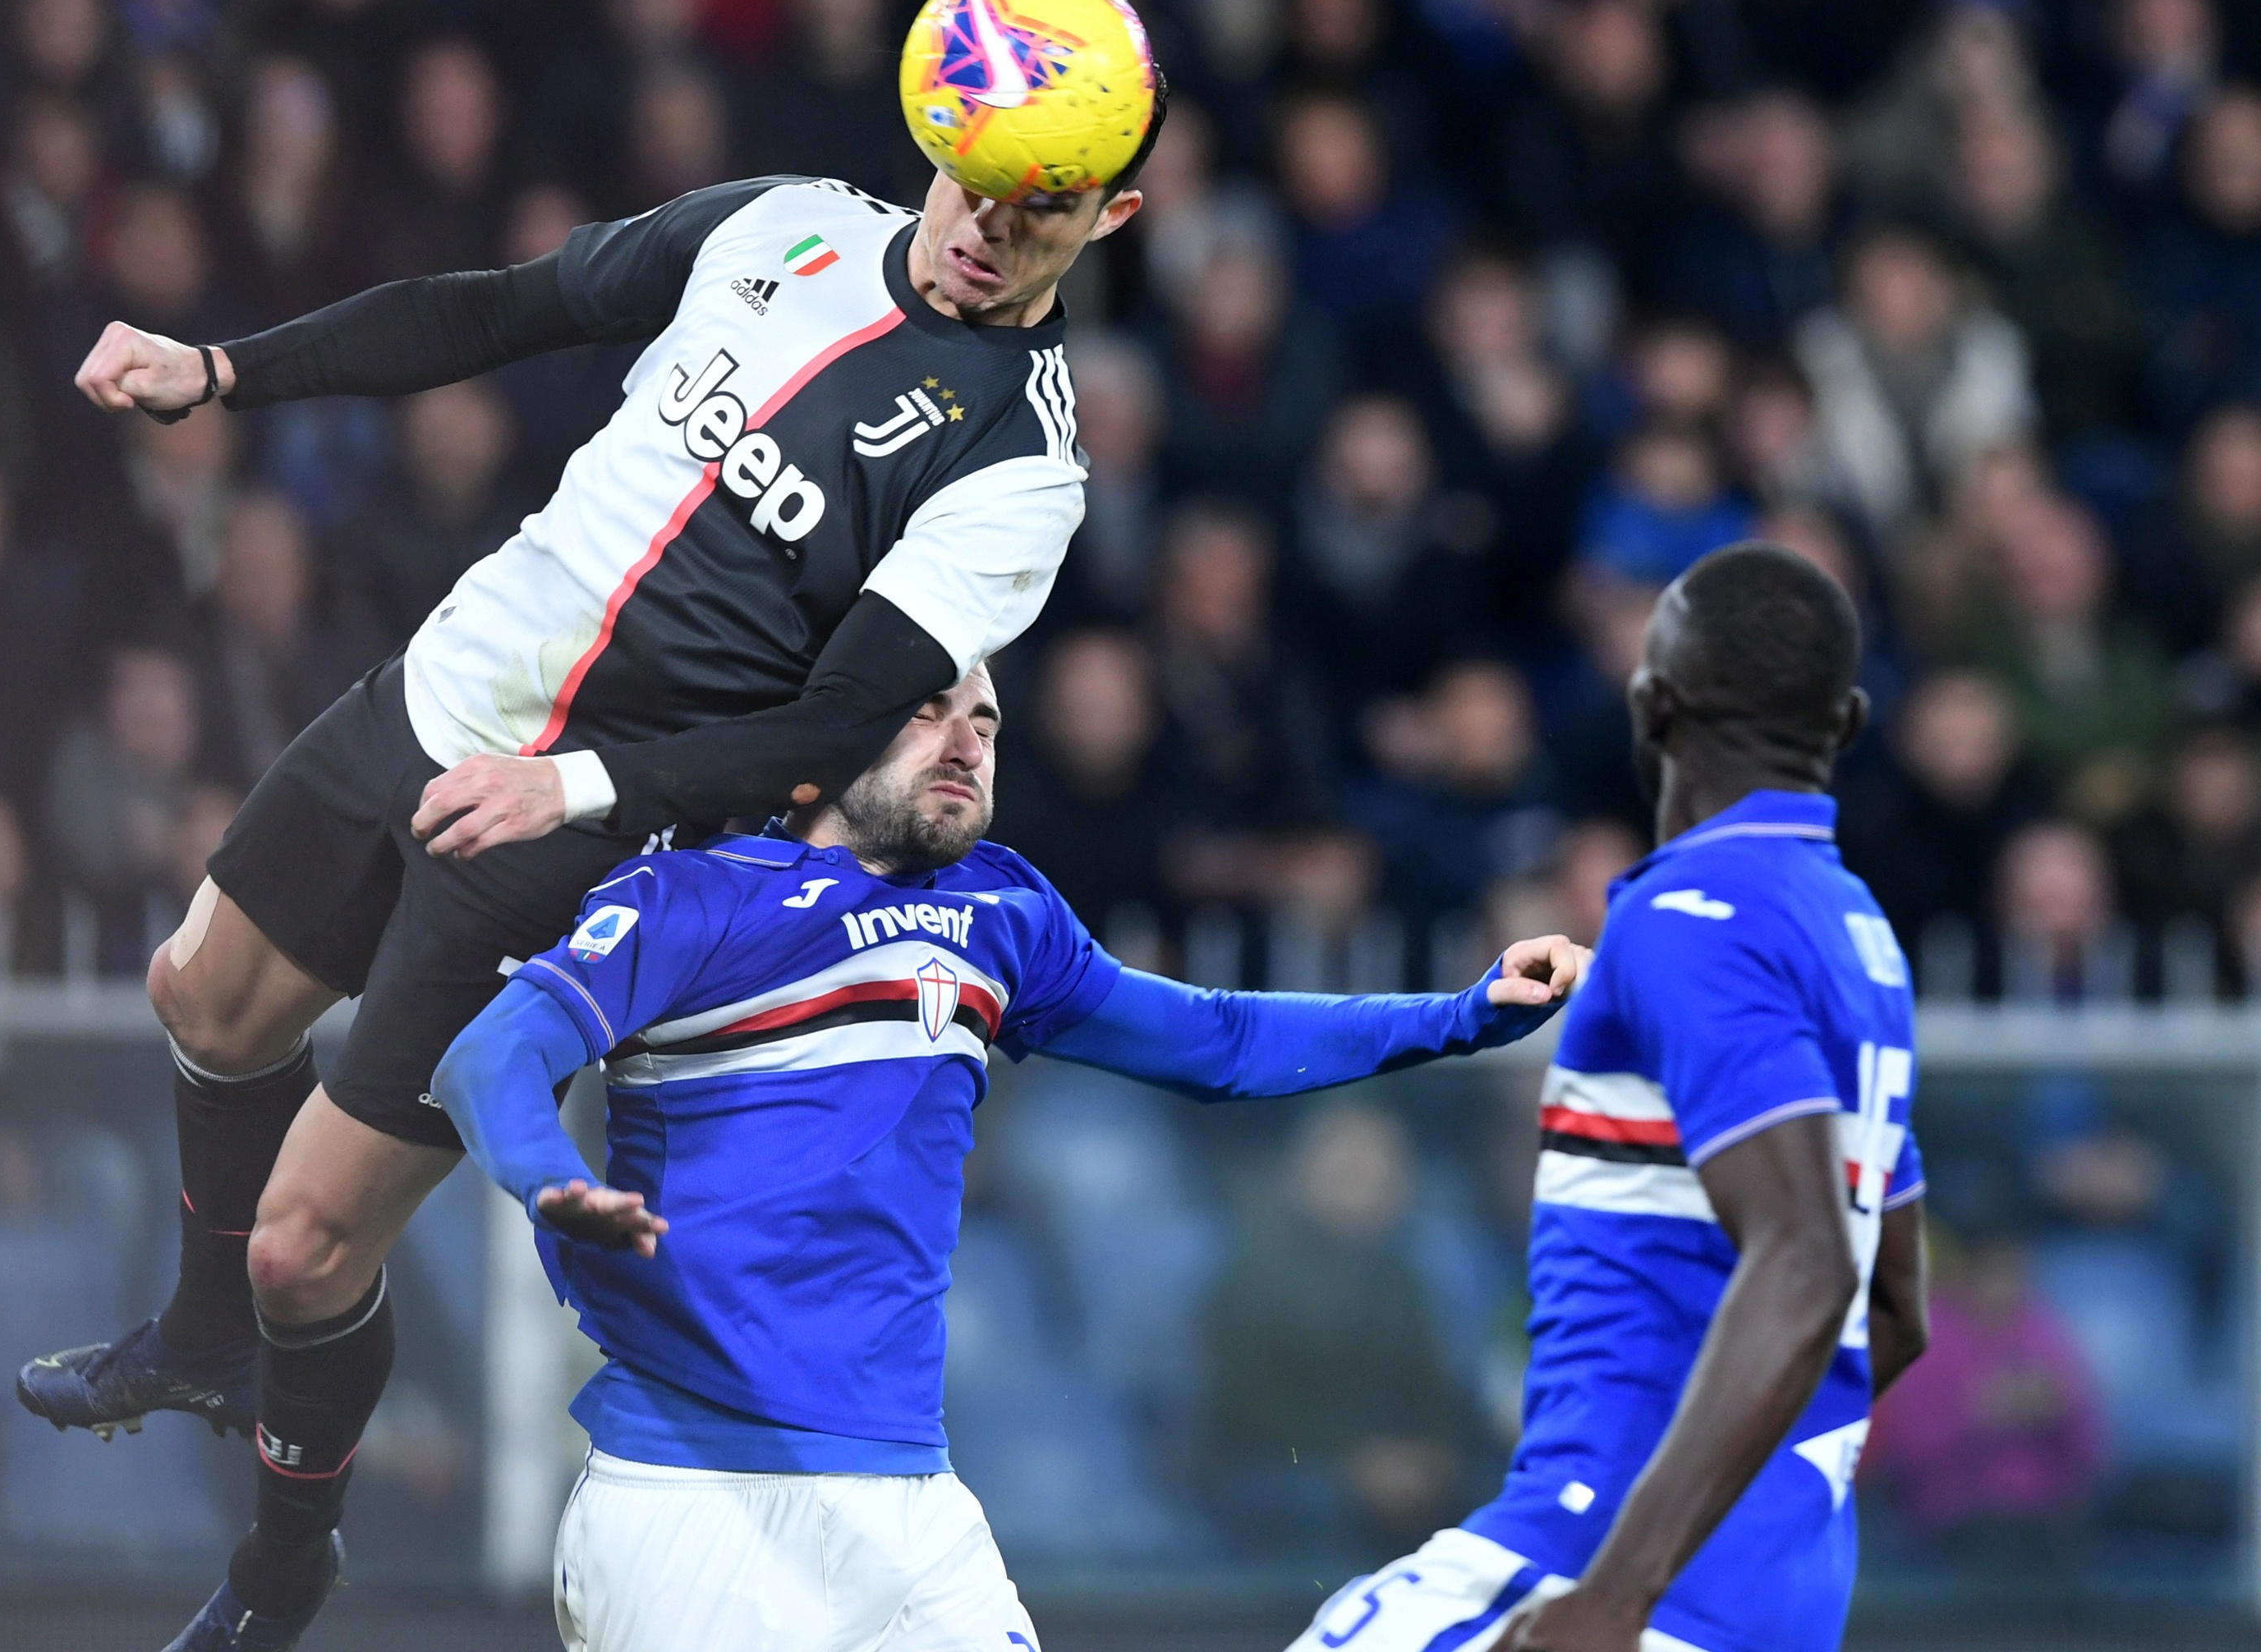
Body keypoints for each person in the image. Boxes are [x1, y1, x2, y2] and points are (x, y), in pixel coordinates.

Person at [18, 0, 1167, 1652]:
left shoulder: (1017, 470)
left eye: (1039, 215)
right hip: (447, 686)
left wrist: (579, 781)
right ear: (929, 138)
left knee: (305, 1253)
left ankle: (280, 1569)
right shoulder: (782, 223)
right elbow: (501, 306)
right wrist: (223, 370)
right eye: (968, 183)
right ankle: (196, 1343)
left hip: (584, 829)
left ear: (1113, 213)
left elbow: (837, 724)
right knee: (202, 998)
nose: (986, 232)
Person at [426, 661, 1591, 1652]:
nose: (965, 741)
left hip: (912, 1507)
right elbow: (492, 1057)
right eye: (929, 709)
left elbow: (1218, 1036)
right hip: (691, 1499)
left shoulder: (1002, 915)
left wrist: (1460, 1013)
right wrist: (549, 1178)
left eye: (984, 721)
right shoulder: (694, 900)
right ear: (830, 731)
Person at [1294, 541, 1928, 1652]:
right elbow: (1893, 1312)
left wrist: (1618, 1596)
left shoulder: (1687, 917)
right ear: (1850, 725)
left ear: (1649, 705)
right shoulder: (1855, 938)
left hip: (1601, 1559)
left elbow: (1811, 1258)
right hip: (1775, 1591)